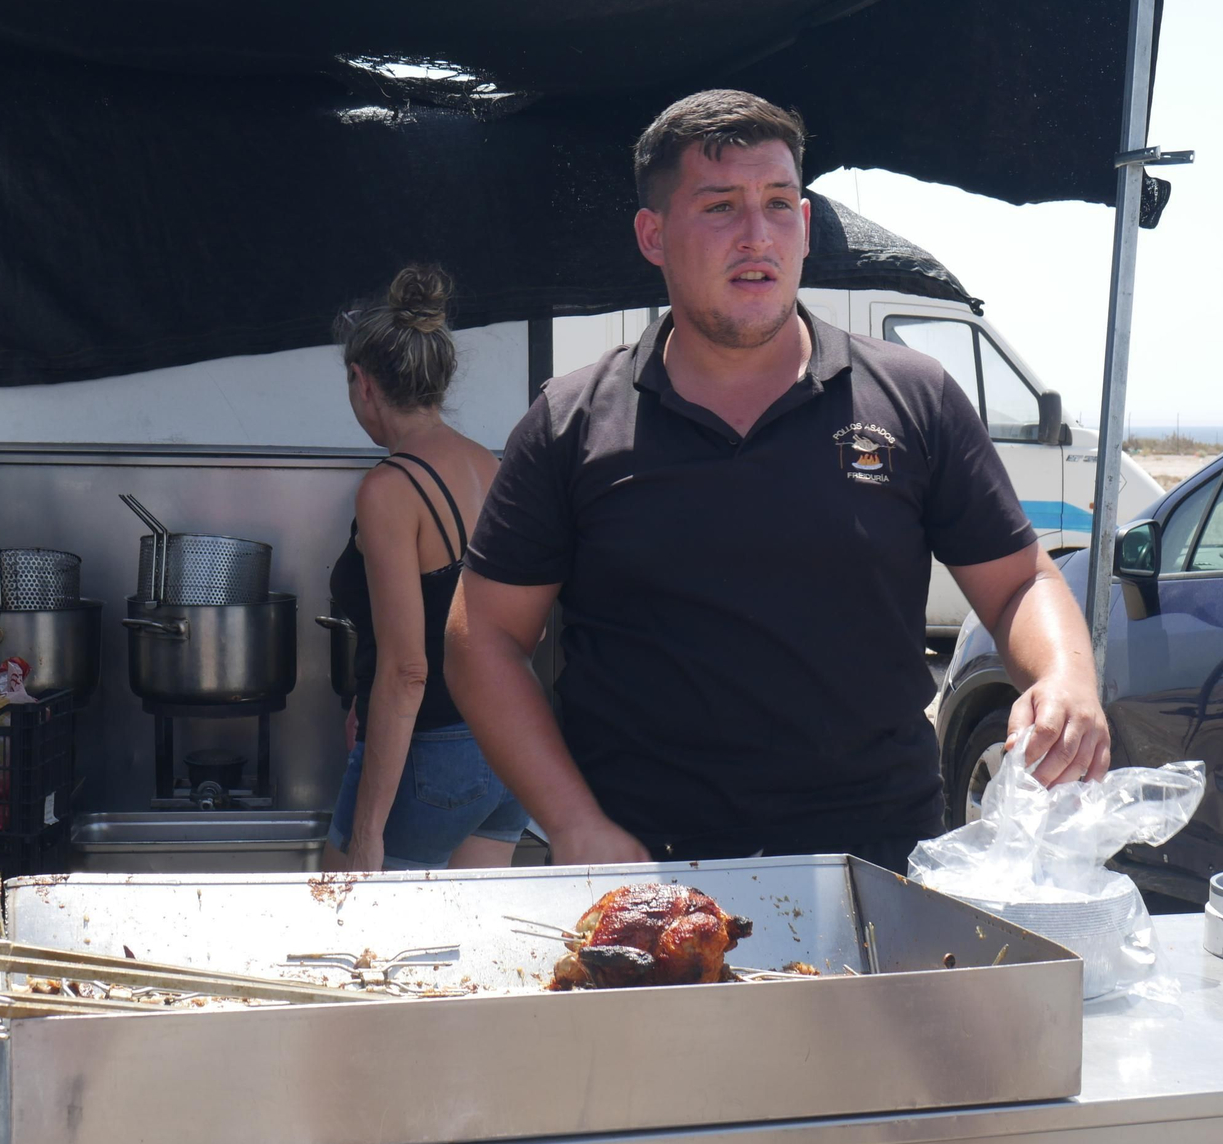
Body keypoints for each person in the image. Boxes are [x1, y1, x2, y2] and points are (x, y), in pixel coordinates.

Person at [445, 91, 1108, 873]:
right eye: (720, 207)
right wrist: (572, 821)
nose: (757, 234)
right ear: (652, 235)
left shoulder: (913, 397)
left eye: (780, 203)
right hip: (642, 871)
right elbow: (479, 635)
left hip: (874, 865)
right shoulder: (573, 421)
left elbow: (1018, 581)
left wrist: (1066, 675)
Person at [322, 264, 530, 872]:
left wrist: (366, 835)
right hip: (510, 749)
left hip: (435, 759)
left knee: (344, 947)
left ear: (363, 382)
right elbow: (519, 628)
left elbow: (408, 671)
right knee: (468, 957)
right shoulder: (490, 469)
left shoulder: (390, 488)